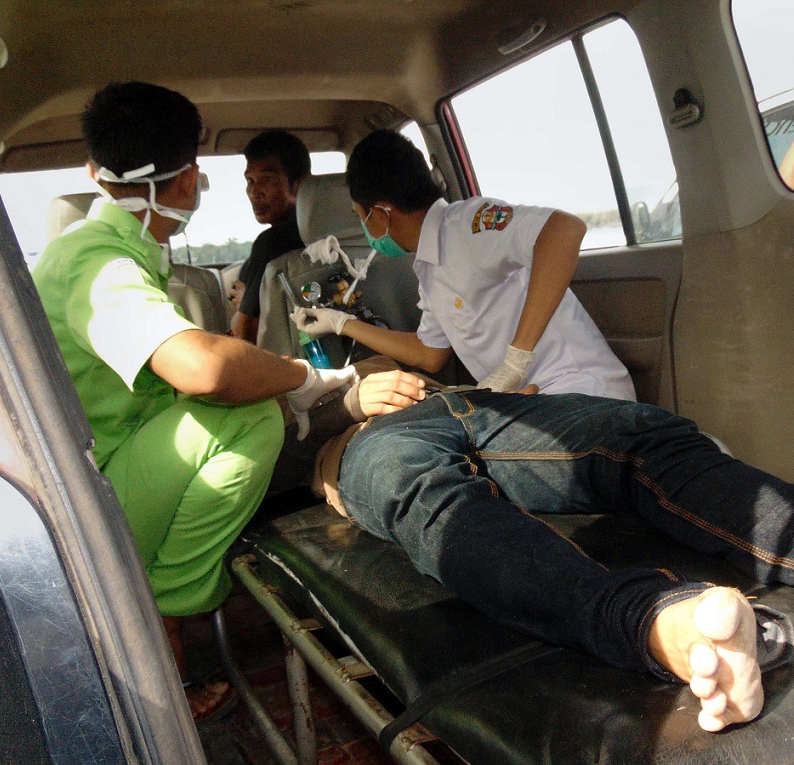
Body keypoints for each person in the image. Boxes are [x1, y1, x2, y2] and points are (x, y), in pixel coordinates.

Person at [304, 385, 794, 734]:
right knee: (431, 502)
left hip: (475, 400)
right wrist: (347, 402)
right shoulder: (289, 410)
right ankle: (663, 622)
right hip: (368, 443)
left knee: (639, 432)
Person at [31, 81, 427, 724]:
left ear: (91, 173)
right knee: (249, 417)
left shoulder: (105, 252)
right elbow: (206, 368)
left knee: (266, 410)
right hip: (95, 490)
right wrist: (309, 378)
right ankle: (171, 593)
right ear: (187, 182)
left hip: (113, 456)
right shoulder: (97, 263)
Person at [291, 129, 636, 400]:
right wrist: (341, 323)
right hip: (536, 399)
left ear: (380, 215)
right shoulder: (429, 264)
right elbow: (429, 354)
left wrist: (516, 359)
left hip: (583, 393)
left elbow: (564, 230)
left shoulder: (469, 226)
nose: (366, 231)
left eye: (360, 217)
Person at [229, 129, 311, 343]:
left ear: (299, 184)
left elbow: (244, 334)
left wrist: (243, 305)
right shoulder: (333, 234)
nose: (255, 192)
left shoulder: (272, 243)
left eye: (267, 179)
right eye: (250, 180)